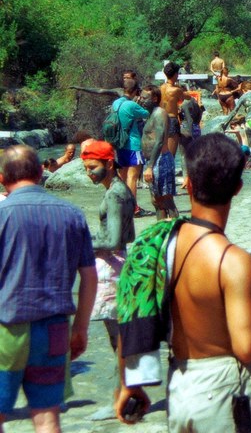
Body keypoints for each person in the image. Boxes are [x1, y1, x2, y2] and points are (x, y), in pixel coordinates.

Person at [115, 133, 251, 430]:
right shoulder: (233, 261)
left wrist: (129, 383)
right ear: (237, 188)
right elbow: (248, 347)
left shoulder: (161, 242)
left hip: (181, 385)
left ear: (188, 184)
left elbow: (131, 302)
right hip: (224, 392)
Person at [0, 145, 97, 433]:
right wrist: (80, 328)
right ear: (40, 173)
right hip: (55, 328)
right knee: (47, 418)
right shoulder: (72, 214)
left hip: (7, 329)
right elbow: (89, 276)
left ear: (2, 178)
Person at [80, 139, 135, 421]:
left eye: (93, 167)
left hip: (112, 268)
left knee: (119, 340)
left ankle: (120, 400)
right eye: (86, 168)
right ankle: (126, 396)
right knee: (121, 339)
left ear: (109, 164)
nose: (89, 173)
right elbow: (128, 235)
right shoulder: (122, 189)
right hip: (121, 262)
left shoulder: (113, 195)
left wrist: (81, 244)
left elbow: (112, 240)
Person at [111, 84, 151, 217]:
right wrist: (138, 103)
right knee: (132, 177)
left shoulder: (116, 103)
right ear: (135, 91)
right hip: (133, 145)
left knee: (122, 176)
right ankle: (134, 208)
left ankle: (122, 205)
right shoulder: (132, 105)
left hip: (120, 144)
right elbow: (147, 113)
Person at [140, 85, 178, 220]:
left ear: (155, 98)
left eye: (145, 98)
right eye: (141, 97)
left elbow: (160, 141)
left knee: (166, 201)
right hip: (152, 161)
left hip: (160, 161)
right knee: (157, 201)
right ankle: (161, 229)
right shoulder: (150, 114)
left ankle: (175, 230)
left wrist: (150, 167)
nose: (141, 100)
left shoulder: (160, 113)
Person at [159, 62, 186, 159]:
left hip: (160, 119)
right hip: (171, 120)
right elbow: (184, 98)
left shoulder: (160, 88)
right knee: (170, 155)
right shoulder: (176, 90)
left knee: (161, 153)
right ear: (175, 74)